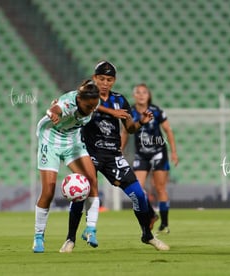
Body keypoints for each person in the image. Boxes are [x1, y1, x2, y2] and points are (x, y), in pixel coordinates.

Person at [59, 61, 170, 253]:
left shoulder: (120, 100)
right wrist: (111, 112)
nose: (104, 83)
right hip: (88, 153)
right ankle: (70, 239)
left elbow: (130, 128)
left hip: (113, 155)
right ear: (94, 79)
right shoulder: (87, 98)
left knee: (139, 195)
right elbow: (88, 107)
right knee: (80, 193)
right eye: (101, 79)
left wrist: (141, 122)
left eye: (109, 80)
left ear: (114, 81)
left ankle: (147, 235)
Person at [33, 80, 100, 253]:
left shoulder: (93, 101)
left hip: (72, 141)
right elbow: (54, 109)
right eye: (88, 106)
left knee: (92, 179)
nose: (91, 109)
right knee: (48, 190)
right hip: (51, 139)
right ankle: (38, 236)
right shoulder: (68, 102)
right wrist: (52, 113)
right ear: (79, 99)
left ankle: (91, 229)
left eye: (94, 106)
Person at [121, 83, 178, 234]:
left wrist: (174, 152)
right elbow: (125, 132)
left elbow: (168, 131)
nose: (141, 95)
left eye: (144, 92)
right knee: (138, 188)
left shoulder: (156, 111)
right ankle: (152, 214)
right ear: (134, 96)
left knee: (159, 188)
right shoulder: (130, 112)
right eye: (138, 92)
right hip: (142, 154)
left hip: (158, 152)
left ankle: (164, 224)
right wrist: (119, 150)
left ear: (148, 95)